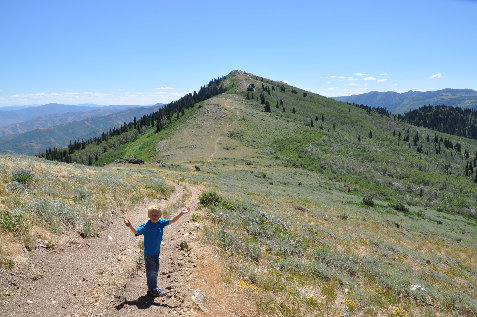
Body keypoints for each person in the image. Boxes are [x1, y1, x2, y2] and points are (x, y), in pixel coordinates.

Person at [124, 205, 190, 297]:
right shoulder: (147, 226)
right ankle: (153, 289)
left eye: (156, 215)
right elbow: (136, 232)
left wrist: (181, 214)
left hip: (156, 252)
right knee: (152, 272)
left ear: (160, 215)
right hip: (149, 254)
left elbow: (172, 220)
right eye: (152, 215)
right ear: (148, 216)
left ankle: (152, 288)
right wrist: (130, 226)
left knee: (155, 271)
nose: (154, 217)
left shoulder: (161, 222)